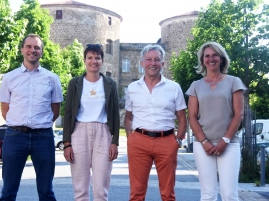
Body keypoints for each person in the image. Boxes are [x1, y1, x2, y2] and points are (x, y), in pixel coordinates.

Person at [0, 34, 63, 201]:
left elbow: (55, 111)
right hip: (14, 136)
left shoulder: (52, 79)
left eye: (37, 47)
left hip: (43, 137)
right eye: (29, 46)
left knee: (46, 191)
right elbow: (5, 111)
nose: (32, 50)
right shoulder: (9, 78)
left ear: (41, 52)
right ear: (22, 50)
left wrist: (40, 124)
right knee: (8, 191)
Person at [124, 44, 187, 201]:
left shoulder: (174, 87)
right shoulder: (132, 88)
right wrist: (130, 138)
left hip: (166, 141)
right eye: (149, 59)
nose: (153, 63)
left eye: (157, 60)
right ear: (142, 63)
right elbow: (128, 117)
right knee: (136, 192)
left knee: (168, 193)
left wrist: (177, 141)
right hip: (139, 141)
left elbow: (182, 118)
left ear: (163, 64)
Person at [186, 42, 247, 201]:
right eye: (207, 56)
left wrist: (225, 140)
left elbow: (238, 114)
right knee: (208, 195)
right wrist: (204, 141)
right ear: (202, 60)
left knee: (229, 195)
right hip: (202, 145)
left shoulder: (234, 82)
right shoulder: (196, 86)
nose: (211, 59)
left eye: (215, 55)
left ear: (221, 58)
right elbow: (192, 116)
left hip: (229, 144)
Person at [62, 44, 120, 201]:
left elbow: (115, 113)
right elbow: (67, 114)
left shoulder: (110, 84)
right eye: (90, 58)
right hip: (79, 132)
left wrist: (115, 142)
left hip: (103, 133)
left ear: (102, 60)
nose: (93, 61)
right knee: (80, 189)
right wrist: (67, 143)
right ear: (84, 60)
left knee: (101, 189)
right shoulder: (74, 83)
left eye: (97, 58)